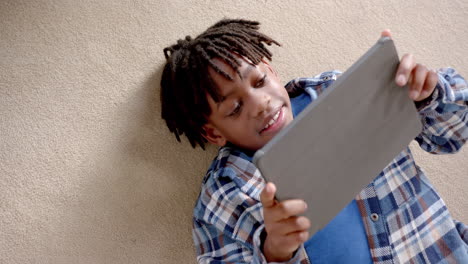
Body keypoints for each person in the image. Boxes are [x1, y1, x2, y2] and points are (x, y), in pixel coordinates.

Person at [160, 19, 468, 263]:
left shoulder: (342, 92)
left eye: (259, 81)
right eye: (235, 108)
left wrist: (428, 94)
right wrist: (276, 250)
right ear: (213, 132)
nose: (261, 104)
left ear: (271, 70)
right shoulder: (222, 198)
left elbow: (454, 134)